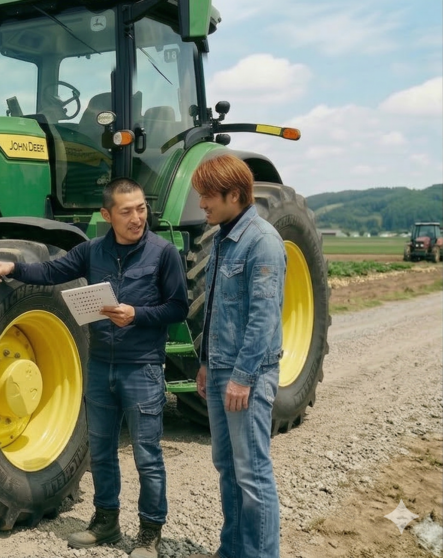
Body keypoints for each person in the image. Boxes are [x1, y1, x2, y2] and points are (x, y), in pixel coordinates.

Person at [0, 178, 188, 558]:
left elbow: (178, 308)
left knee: (147, 456)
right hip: (100, 366)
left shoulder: (164, 253)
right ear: (106, 215)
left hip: (142, 369)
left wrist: (137, 314)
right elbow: (51, 272)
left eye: (141, 209)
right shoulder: (91, 252)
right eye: (126, 211)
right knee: (102, 452)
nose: (137, 217)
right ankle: (106, 522)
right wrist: (13, 267)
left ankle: (149, 534)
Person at [186, 154, 286, 558]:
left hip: (249, 375)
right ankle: (232, 550)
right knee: (228, 468)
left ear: (234, 194)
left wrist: (242, 376)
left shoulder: (261, 241)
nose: (202, 204)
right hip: (222, 370)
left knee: (253, 473)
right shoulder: (225, 239)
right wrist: (208, 363)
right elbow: (217, 309)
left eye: (208, 196)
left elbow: (264, 317)